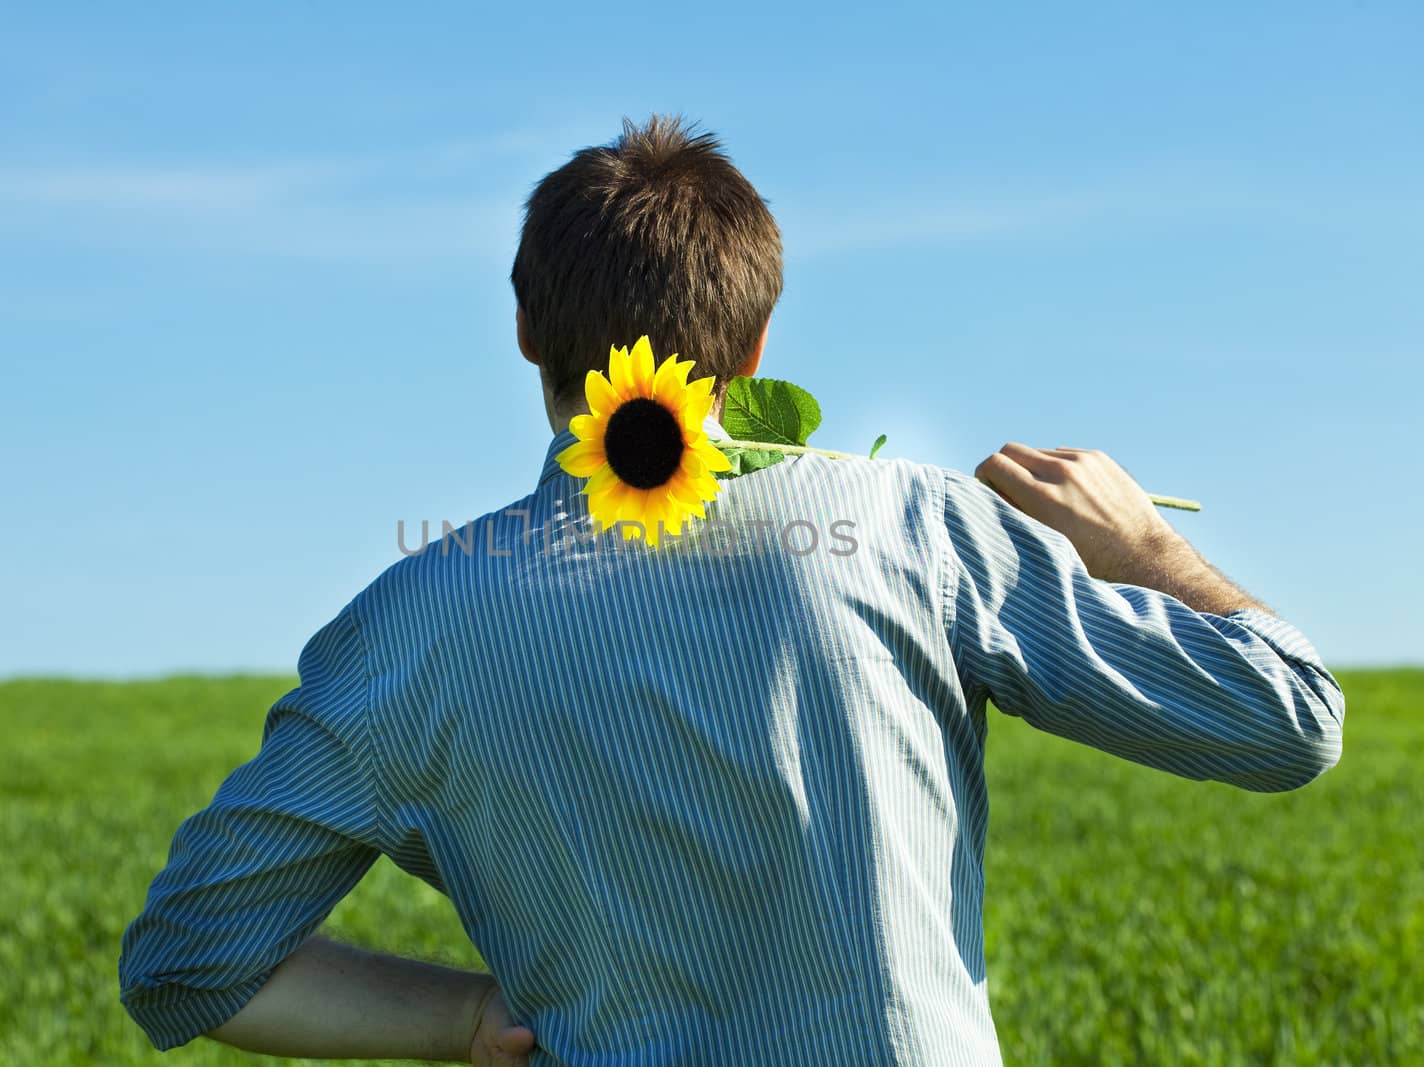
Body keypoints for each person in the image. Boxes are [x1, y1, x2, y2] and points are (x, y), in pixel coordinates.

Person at [117, 115, 1344, 1066]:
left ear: (528, 335)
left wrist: (465, 1017)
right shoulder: (911, 525)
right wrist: (1137, 546)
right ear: (756, 347)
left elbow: (184, 965)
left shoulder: (407, 628)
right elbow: (1289, 718)